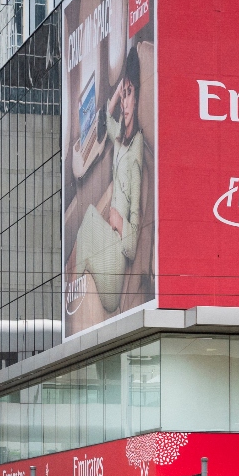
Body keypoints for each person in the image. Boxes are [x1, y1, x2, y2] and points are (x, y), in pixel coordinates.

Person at [71, 46, 144, 314]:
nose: (125, 103)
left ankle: (71, 296)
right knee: (88, 219)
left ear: (138, 97)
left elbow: (133, 246)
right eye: (124, 95)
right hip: (110, 245)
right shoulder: (123, 140)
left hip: (117, 260)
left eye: (130, 94)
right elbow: (104, 117)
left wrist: (118, 221)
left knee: (89, 219)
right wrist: (118, 92)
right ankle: (73, 291)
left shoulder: (136, 152)